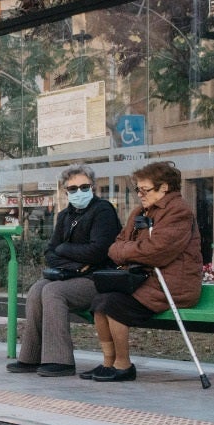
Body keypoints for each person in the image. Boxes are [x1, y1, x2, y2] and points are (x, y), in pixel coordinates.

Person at [86, 160, 203, 382]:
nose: (140, 194)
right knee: (99, 302)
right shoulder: (141, 211)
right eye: (137, 189)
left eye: (144, 189)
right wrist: (131, 250)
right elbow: (115, 246)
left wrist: (126, 251)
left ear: (165, 187)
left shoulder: (178, 212)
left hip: (171, 285)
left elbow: (157, 252)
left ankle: (124, 365)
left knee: (113, 305)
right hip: (145, 280)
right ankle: (108, 362)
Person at [6, 165, 120, 377]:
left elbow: (98, 251)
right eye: (73, 188)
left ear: (93, 187)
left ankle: (61, 360)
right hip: (73, 275)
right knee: (36, 290)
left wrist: (65, 249)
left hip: (98, 279)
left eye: (84, 187)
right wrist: (74, 263)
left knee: (53, 292)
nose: (79, 192)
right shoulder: (65, 215)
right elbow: (50, 252)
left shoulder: (103, 210)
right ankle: (32, 357)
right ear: (65, 191)